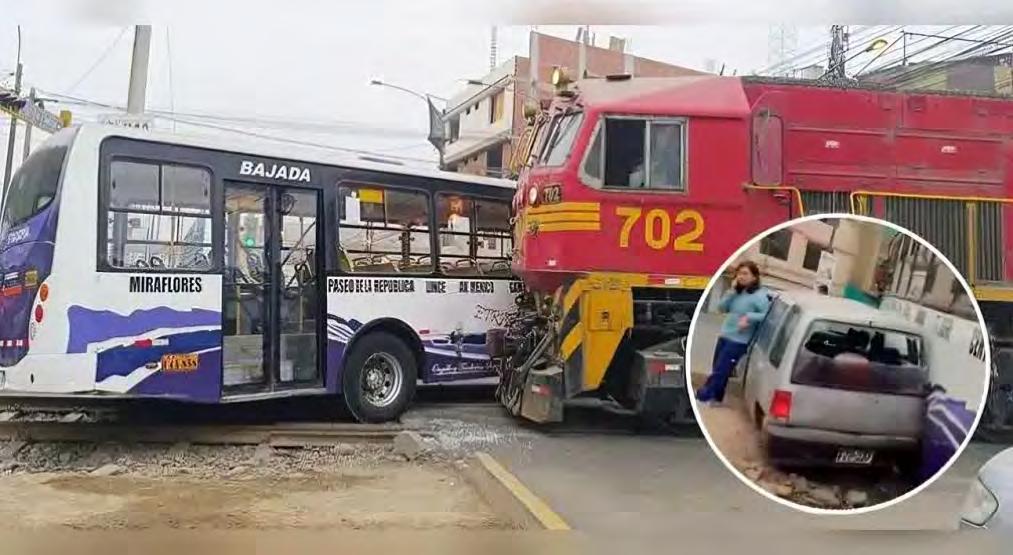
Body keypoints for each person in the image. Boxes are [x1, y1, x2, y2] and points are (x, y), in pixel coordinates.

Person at [696, 261, 771, 406]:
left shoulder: (760, 296)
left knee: (721, 370)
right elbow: (721, 308)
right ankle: (716, 399)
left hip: (739, 341)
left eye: (745, 274)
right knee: (718, 368)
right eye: (739, 273)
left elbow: (767, 315)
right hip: (725, 335)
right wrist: (731, 292)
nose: (741, 277)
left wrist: (749, 317)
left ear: (754, 277)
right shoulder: (736, 293)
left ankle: (704, 397)